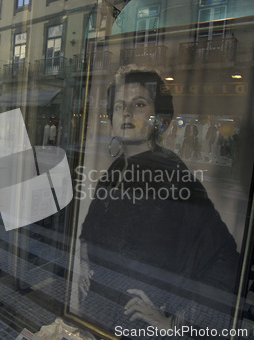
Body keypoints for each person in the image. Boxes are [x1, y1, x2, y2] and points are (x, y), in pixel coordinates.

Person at [78, 66, 240, 332]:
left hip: (137, 325)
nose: (127, 113)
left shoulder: (173, 174)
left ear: (158, 117)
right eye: (119, 106)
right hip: (99, 312)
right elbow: (93, 226)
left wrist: (175, 323)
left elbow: (223, 258)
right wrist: (85, 261)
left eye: (138, 104)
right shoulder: (116, 168)